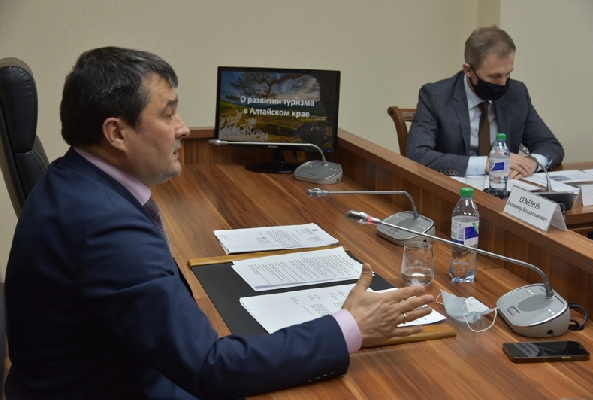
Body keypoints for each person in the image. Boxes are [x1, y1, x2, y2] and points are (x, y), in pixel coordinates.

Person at [4, 47, 434, 400]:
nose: (183, 128)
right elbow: (211, 369)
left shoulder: (71, 179)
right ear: (116, 133)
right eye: (168, 114)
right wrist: (350, 328)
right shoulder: (107, 227)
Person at [406, 26, 564, 178]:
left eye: (508, 74)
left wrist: (531, 163)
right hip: (454, 189)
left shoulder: (516, 93)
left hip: (506, 188)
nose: (503, 83)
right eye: (495, 76)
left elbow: (550, 145)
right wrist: (488, 164)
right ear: (468, 70)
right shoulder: (435, 96)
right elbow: (417, 155)